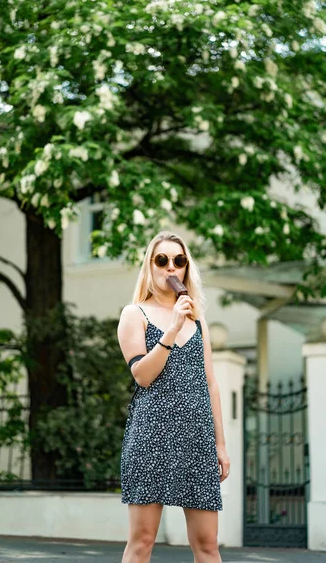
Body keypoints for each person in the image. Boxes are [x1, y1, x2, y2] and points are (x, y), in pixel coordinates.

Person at [117, 230, 230, 563]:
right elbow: (142, 375)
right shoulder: (133, 314)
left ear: (186, 268)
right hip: (151, 436)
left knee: (208, 545)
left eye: (178, 261)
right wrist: (171, 328)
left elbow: (211, 384)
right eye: (162, 260)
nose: (171, 268)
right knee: (142, 541)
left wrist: (220, 446)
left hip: (197, 439)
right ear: (150, 266)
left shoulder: (199, 320)